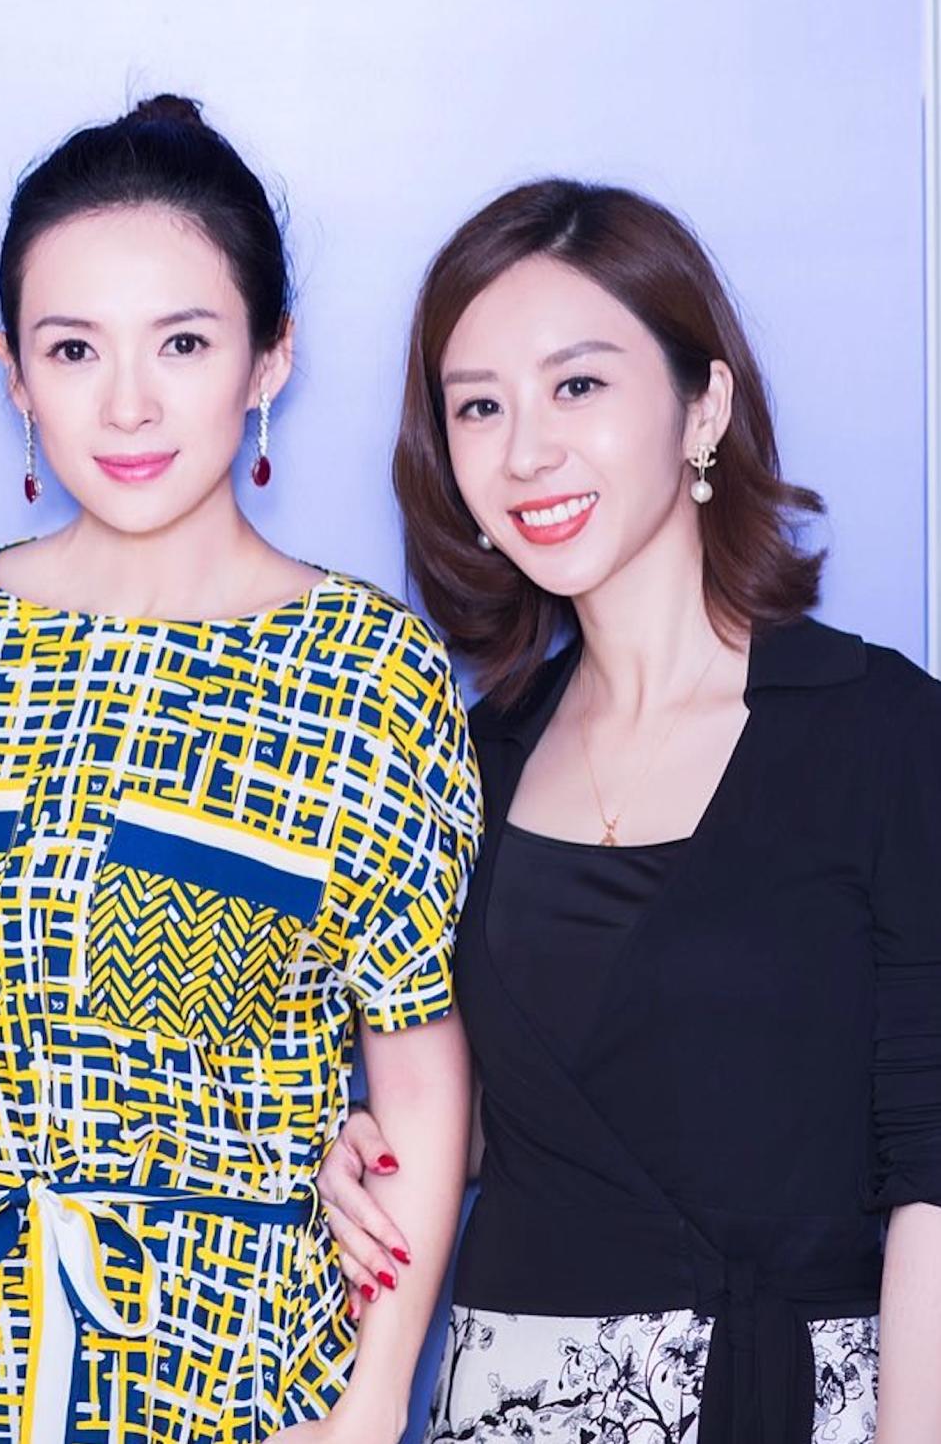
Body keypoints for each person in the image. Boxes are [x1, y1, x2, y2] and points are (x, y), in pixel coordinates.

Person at [0, 95, 481, 1444]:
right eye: (71, 348)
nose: (126, 404)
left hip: (247, 1378)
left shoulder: (366, 671)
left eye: (182, 341)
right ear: (12, 372)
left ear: (270, 356)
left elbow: (415, 1064)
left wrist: (368, 1407)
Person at [316, 180, 941, 1442]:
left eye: (576, 385)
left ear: (701, 407)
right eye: (477, 406)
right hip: (506, 1395)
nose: (524, 451)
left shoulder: (878, 730)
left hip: (794, 1397)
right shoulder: (466, 759)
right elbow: (496, 1115)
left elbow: (930, 1168)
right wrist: (362, 1150)